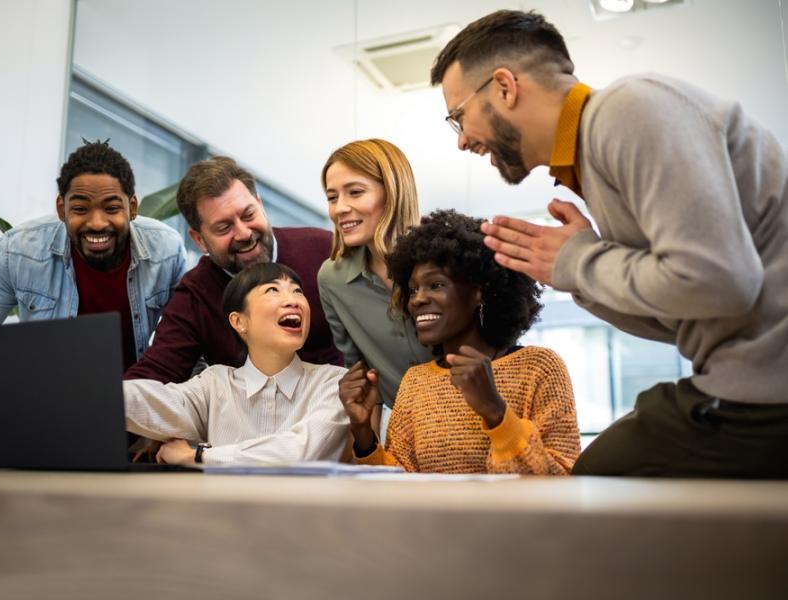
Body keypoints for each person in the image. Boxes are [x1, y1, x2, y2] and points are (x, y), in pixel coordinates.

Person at [431, 10, 788, 477]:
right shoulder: (591, 163)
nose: (463, 143)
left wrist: (579, 260)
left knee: (596, 490)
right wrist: (571, 272)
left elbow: (719, 282)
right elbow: (685, 320)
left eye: (459, 117)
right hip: (742, 379)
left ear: (504, 86)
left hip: (764, 389)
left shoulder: (627, 108)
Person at [0, 141, 189, 451]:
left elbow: (189, 343)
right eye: (80, 208)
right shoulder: (19, 251)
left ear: (132, 207)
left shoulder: (166, 251)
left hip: (135, 431)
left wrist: (174, 431)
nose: (96, 223)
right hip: (46, 423)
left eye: (111, 207)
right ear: (61, 208)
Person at [342, 209, 579, 474]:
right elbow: (401, 485)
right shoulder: (415, 382)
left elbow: (562, 479)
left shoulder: (539, 367)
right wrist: (363, 433)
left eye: (435, 285)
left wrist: (495, 411)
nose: (418, 299)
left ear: (480, 291)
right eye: (412, 289)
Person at [125, 156, 342, 385]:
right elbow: (156, 373)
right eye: (224, 227)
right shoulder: (196, 294)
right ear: (199, 240)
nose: (244, 233)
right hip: (251, 416)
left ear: (260, 204)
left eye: (249, 215)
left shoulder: (324, 251)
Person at [124, 263, 349, 466]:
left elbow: (299, 452)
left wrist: (198, 456)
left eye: (297, 291)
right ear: (239, 321)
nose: (293, 300)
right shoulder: (214, 384)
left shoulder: (334, 382)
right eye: (273, 290)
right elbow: (157, 403)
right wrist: (99, 390)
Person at [317, 139, 431, 440]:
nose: (340, 208)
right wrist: (372, 458)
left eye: (355, 192)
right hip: (408, 437)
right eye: (332, 197)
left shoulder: (447, 259)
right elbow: (365, 382)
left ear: (392, 192)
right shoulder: (332, 279)